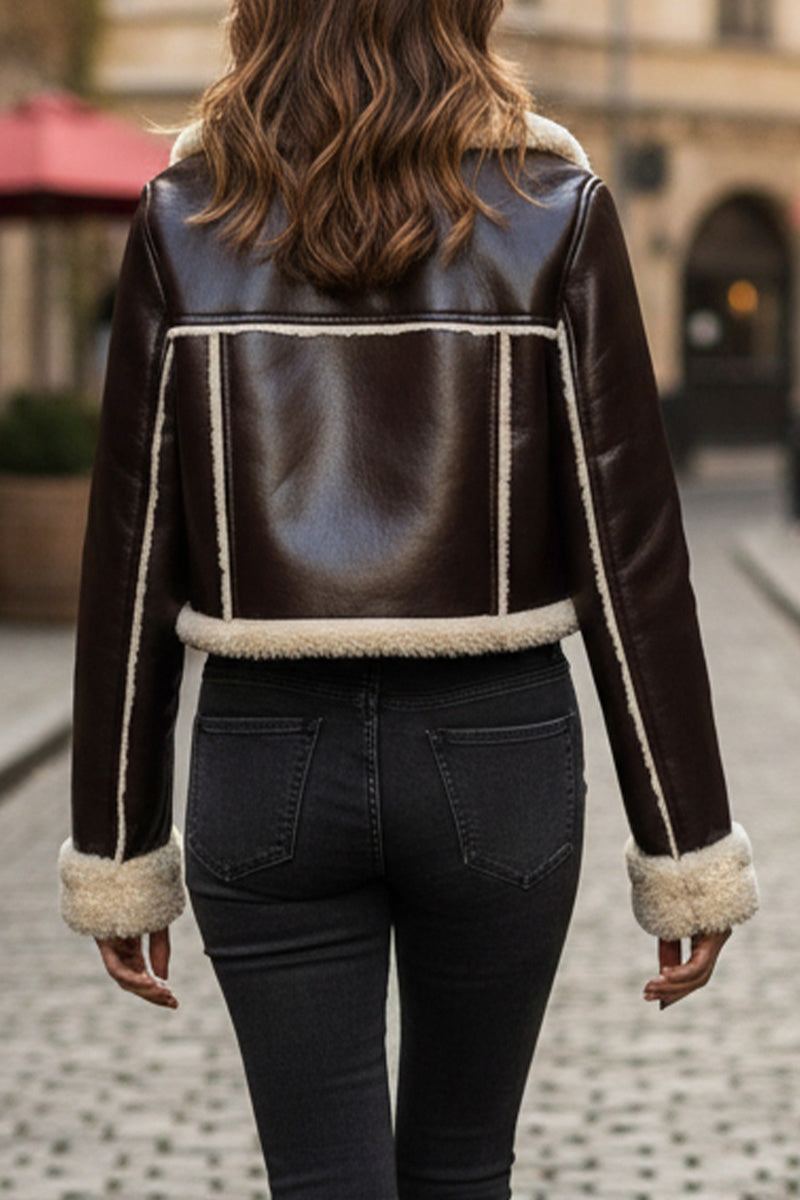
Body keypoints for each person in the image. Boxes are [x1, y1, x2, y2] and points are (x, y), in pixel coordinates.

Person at [57, 1, 760, 1196]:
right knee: (461, 1169)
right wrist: (683, 842)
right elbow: (629, 554)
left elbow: (128, 556)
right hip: (495, 754)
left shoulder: (180, 223)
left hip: (262, 753)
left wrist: (120, 845)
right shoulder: (554, 213)